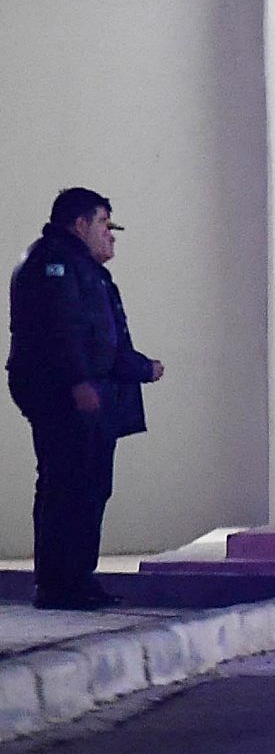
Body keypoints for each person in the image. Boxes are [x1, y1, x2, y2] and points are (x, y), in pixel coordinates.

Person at [7, 188, 164, 611]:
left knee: (88, 485)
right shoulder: (53, 265)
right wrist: (80, 383)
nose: (111, 236)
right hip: (65, 394)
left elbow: (99, 339)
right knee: (69, 485)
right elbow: (64, 331)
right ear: (80, 224)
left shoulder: (81, 268)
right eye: (104, 225)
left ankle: (76, 577)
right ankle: (61, 584)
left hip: (84, 391)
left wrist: (139, 367)